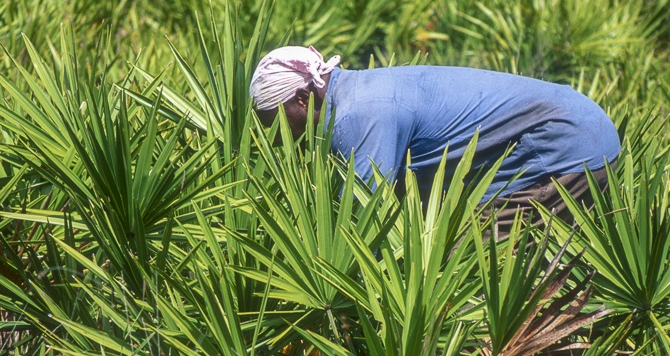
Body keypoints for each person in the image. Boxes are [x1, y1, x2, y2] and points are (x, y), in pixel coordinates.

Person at [250, 46, 620, 228]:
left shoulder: (357, 116)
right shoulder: (359, 92)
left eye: (274, 124)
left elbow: (365, 226)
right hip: (581, 128)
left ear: (301, 99)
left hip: (563, 147)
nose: (277, 139)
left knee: (469, 268)